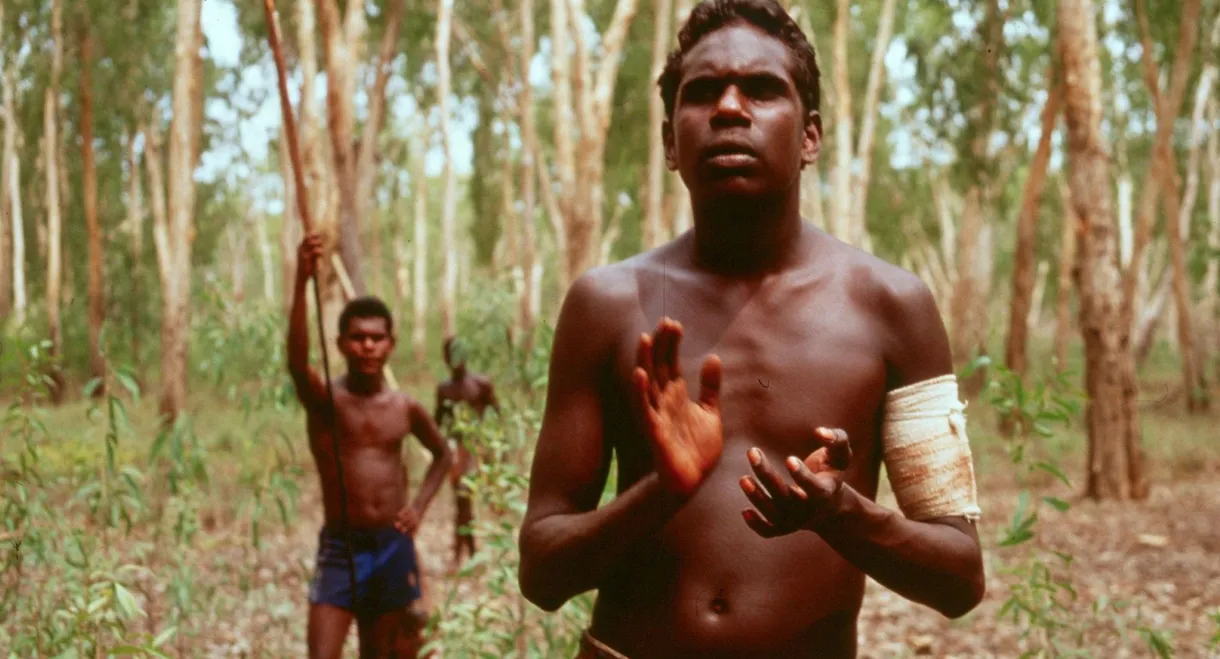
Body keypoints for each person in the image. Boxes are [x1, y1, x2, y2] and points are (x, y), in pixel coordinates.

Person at [516, 1, 986, 657]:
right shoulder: (607, 304)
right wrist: (662, 492)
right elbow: (541, 570)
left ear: (810, 137)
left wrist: (840, 513)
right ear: (670, 142)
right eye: (702, 93)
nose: (729, 109)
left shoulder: (893, 306)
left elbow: (960, 575)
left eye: (762, 90)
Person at [289, 233, 454, 659]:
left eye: (377, 338)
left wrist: (418, 507)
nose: (368, 345)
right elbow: (295, 362)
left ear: (390, 345)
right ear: (342, 343)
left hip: (391, 547)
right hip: (341, 548)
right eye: (358, 337)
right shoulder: (326, 401)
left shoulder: (405, 408)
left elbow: (443, 455)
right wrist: (300, 282)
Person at [434, 336, 501, 570]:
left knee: (465, 497)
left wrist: (495, 450)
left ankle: (463, 554)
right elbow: (437, 423)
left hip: (476, 446)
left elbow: (497, 414)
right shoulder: (444, 390)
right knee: (462, 501)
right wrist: (440, 453)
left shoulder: (482, 384)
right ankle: (467, 553)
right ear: (445, 358)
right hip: (455, 450)